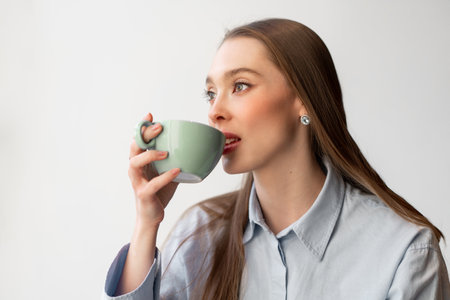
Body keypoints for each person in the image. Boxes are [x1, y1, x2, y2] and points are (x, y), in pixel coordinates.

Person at [102, 18, 450, 300]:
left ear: (303, 100)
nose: (215, 112)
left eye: (239, 86)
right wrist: (147, 222)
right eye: (210, 93)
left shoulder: (405, 252)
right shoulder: (198, 235)